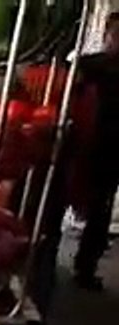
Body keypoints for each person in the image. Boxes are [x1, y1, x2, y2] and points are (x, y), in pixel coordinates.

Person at [71, 11, 119, 291]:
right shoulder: (88, 66)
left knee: (99, 211)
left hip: (110, 151)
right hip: (80, 146)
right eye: (114, 34)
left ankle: (86, 267)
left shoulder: (91, 67)